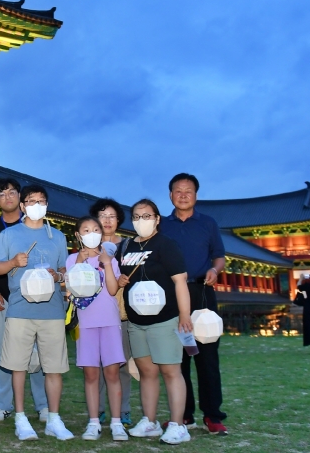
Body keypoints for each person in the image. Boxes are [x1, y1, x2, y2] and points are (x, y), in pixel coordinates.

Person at [0, 184, 74, 441]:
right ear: (23, 206)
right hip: (19, 309)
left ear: (46, 205)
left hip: (52, 310)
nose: (36, 205)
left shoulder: (58, 237)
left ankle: (54, 418)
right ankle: (20, 417)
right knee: (17, 366)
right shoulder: (9, 235)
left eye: (41, 201)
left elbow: (64, 271)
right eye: (31, 201)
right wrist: (14, 262)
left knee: (53, 367)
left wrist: (59, 275)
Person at [119, 199, 193, 445]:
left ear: (157, 218)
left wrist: (184, 315)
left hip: (165, 319)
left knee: (171, 371)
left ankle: (177, 425)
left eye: (147, 216)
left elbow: (180, 281)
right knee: (147, 372)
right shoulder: (126, 246)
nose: (142, 221)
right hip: (136, 321)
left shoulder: (166, 245)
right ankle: (149, 421)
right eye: (137, 217)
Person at [160, 173, 228, 435]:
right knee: (178, 359)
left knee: (207, 358)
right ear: (170, 195)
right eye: (178, 191)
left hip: (202, 293)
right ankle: (184, 415)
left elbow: (219, 256)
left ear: (196, 195)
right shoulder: (162, 225)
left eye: (188, 190)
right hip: (172, 296)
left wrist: (215, 270)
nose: (183, 194)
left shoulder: (208, 223)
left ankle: (213, 415)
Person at [0, 177, 49, 423]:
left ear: (20, 196)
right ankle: (3, 404)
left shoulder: (36, 225)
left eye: (11, 192)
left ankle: (42, 405)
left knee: (37, 353)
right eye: (1, 194)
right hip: (2, 298)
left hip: (33, 299)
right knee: (2, 353)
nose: (7, 197)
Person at [66, 216, 127, 441]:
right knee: (91, 374)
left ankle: (117, 422)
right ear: (78, 236)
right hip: (86, 322)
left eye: (95, 229)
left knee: (112, 373)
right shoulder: (73, 259)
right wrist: (81, 262)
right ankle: (93, 422)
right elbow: (72, 286)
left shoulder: (109, 258)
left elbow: (112, 289)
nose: (91, 233)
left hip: (110, 320)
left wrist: (108, 263)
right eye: (86, 230)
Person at [89, 197, 133, 427]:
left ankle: (123, 409)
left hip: (121, 311)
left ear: (119, 220)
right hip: (94, 314)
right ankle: (98, 410)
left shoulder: (127, 246)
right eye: (102, 215)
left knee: (120, 364)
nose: (107, 220)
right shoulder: (88, 247)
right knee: (94, 365)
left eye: (111, 216)